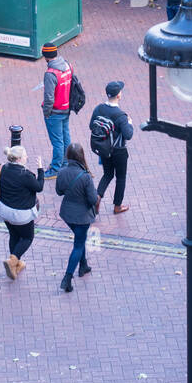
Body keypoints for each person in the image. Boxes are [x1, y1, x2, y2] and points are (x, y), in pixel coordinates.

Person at [0, 144, 43, 280]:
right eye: (25, 155)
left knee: (14, 235)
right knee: (27, 237)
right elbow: (39, 187)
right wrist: (40, 169)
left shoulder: (0, 168)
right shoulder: (25, 175)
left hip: (5, 211)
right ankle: (12, 261)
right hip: (21, 215)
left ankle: (15, 266)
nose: (27, 157)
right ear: (19, 159)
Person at [56, 143, 99, 293]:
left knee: (79, 239)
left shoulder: (61, 172)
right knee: (78, 245)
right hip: (82, 217)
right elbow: (93, 199)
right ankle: (67, 278)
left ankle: (84, 265)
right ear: (82, 156)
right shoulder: (86, 177)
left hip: (67, 214)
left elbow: (59, 192)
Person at [89, 80, 134, 213]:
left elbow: (92, 126)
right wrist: (130, 123)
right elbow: (128, 135)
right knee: (120, 177)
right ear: (119, 95)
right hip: (119, 151)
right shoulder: (121, 116)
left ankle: (97, 197)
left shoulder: (99, 108)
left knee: (107, 174)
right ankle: (117, 206)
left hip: (104, 149)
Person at [40, 43, 73, 178]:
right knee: (66, 136)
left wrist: (46, 112)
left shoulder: (50, 74)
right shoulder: (67, 65)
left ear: (45, 56)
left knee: (57, 141)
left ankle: (55, 168)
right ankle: (66, 162)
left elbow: (49, 97)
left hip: (55, 111)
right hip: (66, 108)